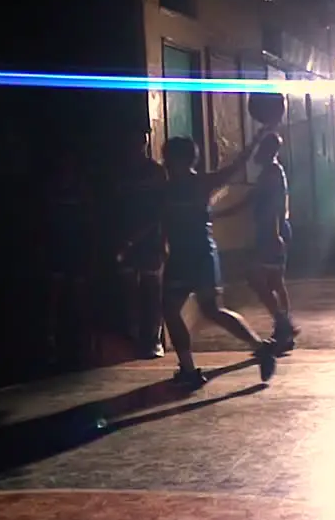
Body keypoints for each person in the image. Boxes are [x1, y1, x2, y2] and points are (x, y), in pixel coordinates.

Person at [124, 135, 279, 389]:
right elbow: (159, 220)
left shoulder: (200, 183)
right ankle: (197, 366)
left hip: (197, 255)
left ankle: (247, 352)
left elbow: (236, 166)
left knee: (207, 310)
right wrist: (140, 243)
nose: (166, 161)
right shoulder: (170, 187)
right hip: (187, 256)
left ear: (181, 159)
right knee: (182, 310)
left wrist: (259, 136)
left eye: (169, 157)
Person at [215, 132, 298, 353]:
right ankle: (283, 328)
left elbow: (274, 208)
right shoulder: (269, 173)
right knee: (273, 283)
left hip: (271, 233)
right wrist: (222, 212)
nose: (256, 153)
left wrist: (275, 234)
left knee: (259, 280)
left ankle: (284, 325)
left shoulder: (271, 173)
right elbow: (250, 201)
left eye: (260, 149)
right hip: (271, 232)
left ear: (268, 151)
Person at [114, 126, 169, 359]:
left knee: (152, 289)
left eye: (142, 142)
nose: (138, 147)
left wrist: (164, 239)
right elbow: (115, 208)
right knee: (130, 289)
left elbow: (163, 209)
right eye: (134, 142)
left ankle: (154, 338)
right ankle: (135, 335)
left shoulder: (156, 172)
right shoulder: (121, 173)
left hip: (150, 239)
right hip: (126, 239)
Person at [40, 147, 96, 368]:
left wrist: (91, 250)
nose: (66, 167)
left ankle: (83, 342)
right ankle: (51, 342)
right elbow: (43, 219)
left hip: (77, 248)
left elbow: (90, 220)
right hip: (57, 247)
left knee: (78, 296)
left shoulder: (81, 188)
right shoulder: (51, 188)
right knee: (54, 297)